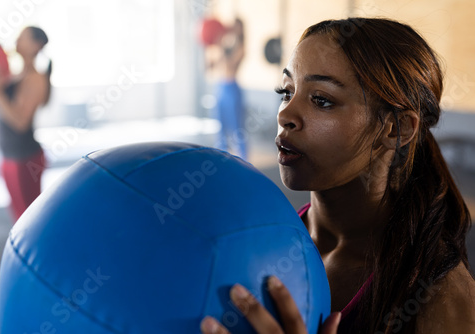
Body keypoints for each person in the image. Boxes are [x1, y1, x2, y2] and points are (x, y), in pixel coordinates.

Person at [200, 18, 475, 333]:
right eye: (287, 91)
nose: (285, 114)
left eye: (322, 100)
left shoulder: (442, 296)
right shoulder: (264, 238)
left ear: (395, 128)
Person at [0, 26, 51, 222]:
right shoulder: (12, 77)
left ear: (36, 45)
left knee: (29, 219)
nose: (16, 41)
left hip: (25, 159)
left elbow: (21, 122)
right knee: (17, 217)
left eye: (22, 38)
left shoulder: (37, 79)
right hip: (8, 156)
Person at [208, 18, 248, 160]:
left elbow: (230, 64)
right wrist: (210, 46)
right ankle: (220, 157)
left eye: (236, 27)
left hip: (232, 89)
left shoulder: (241, 47)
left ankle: (244, 159)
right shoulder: (225, 46)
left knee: (236, 127)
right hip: (220, 88)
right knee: (220, 126)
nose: (232, 29)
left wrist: (220, 44)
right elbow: (210, 67)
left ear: (241, 29)